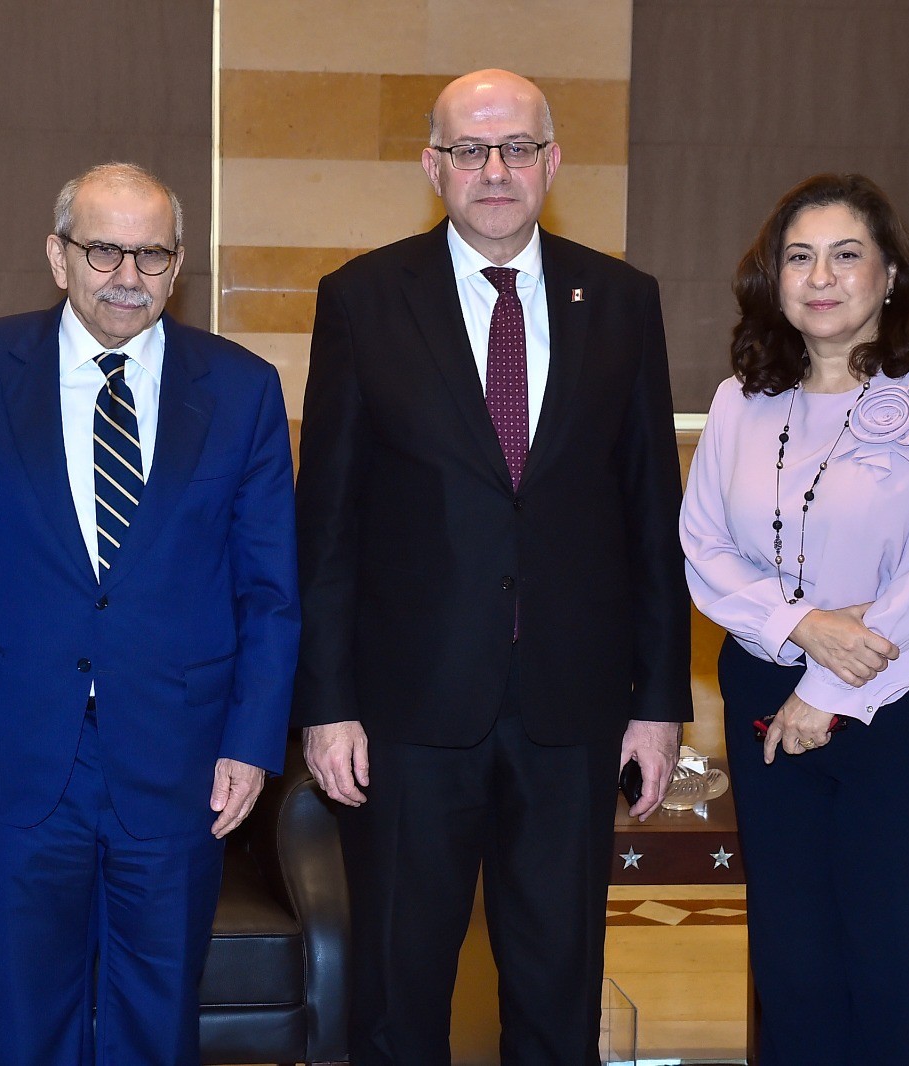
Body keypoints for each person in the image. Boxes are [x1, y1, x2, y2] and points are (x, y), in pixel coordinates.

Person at [294, 69, 692, 1064]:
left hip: (573, 709)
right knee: (395, 996)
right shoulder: (361, 299)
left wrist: (659, 699)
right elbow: (327, 520)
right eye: (469, 150)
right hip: (406, 711)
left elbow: (652, 512)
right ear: (433, 167)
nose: (495, 169)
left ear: (553, 161)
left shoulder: (622, 300)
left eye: (516, 146)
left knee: (557, 995)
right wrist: (326, 701)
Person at [0, 162, 299, 1064]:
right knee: (28, 1020)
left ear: (177, 267)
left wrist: (251, 740)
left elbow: (271, 591)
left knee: (156, 1019)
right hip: (9, 755)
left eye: (153, 254)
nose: (128, 275)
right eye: (103, 250)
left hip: (181, 757)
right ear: (58, 256)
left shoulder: (242, 388)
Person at [680, 172, 909, 1063]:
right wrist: (802, 626)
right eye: (798, 257)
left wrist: (826, 684)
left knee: (894, 968)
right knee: (794, 968)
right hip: (766, 688)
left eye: (846, 254)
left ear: (891, 274)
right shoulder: (742, 402)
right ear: (772, 279)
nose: (820, 277)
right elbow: (704, 547)